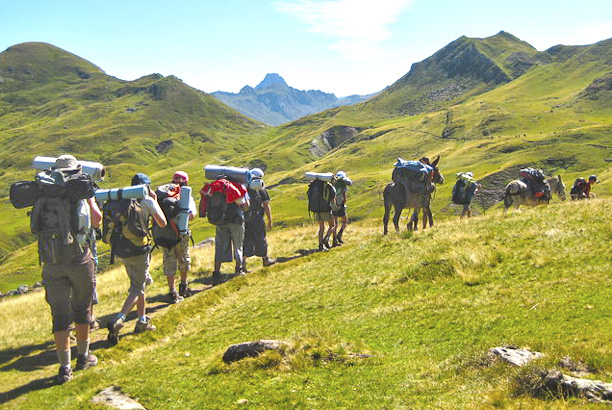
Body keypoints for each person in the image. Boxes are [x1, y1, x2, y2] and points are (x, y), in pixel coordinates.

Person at [33, 155, 102, 384]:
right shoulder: (80, 189)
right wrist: (91, 200)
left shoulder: (45, 190)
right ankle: (83, 357)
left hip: (51, 261)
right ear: (77, 169)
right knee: (82, 308)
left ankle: (64, 368)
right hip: (79, 259)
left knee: (59, 315)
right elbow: (96, 221)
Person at [107, 173, 167, 345]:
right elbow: (162, 222)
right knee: (137, 287)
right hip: (140, 250)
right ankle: (120, 319)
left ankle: (142, 321)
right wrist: (154, 200)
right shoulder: (147, 201)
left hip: (123, 249)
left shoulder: (122, 201)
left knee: (138, 284)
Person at [202, 175, 250, 283]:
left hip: (220, 221)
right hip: (235, 222)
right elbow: (245, 206)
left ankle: (216, 273)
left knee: (220, 247)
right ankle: (239, 270)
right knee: (238, 245)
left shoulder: (213, 189)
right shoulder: (235, 188)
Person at [162, 171, 197, 303]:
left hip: (166, 233)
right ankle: (183, 286)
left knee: (169, 261)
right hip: (182, 233)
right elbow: (192, 215)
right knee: (184, 258)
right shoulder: (186, 196)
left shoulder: (164, 197)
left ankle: (172, 291)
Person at [242, 168, 276, 272]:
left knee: (246, 239)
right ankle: (265, 260)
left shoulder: (245, 187)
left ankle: (242, 265)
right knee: (261, 238)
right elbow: (266, 205)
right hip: (257, 218)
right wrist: (270, 220)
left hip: (246, 218)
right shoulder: (260, 188)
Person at [332, 171, 350, 246]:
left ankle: (334, 240)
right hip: (340, 205)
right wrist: (343, 203)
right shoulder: (343, 185)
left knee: (335, 224)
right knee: (345, 221)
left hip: (333, 205)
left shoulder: (333, 184)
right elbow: (344, 198)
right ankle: (339, 235)